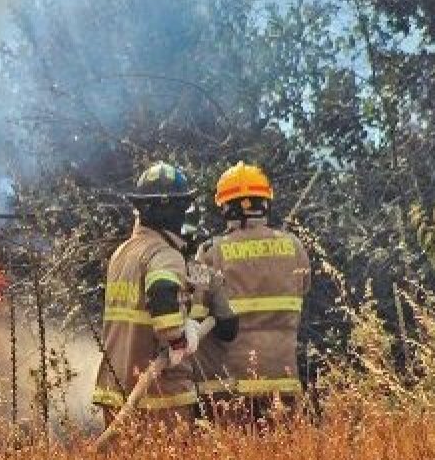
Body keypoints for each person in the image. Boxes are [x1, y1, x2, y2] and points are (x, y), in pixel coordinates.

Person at [91, 162, 238, 428]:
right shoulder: (164, 255)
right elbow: (161, 296)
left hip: (115, 389)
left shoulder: (122, 253)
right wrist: (181, 338)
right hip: (159, 395)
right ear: (176, 211)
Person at [193, 161, 312, 426]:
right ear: (265, 203)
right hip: (284, 379)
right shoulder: (294, 246)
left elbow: (196, 310)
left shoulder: (211, 252)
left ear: (225, 208)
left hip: (232, 384)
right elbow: (303, 288)